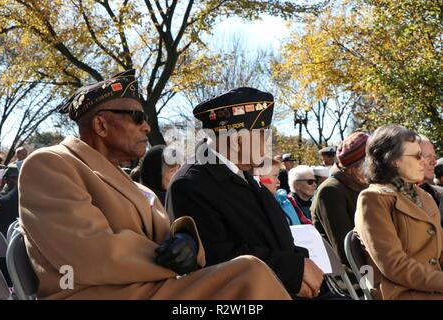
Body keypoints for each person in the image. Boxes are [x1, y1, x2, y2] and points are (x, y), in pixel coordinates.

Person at [19, 70, 291, 300]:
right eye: (137, 116)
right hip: (96, 293)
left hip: (144, 289)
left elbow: (162, 235)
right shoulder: (49, 163)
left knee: (249, 272)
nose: (147, 127)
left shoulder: (131, 183)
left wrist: (186, 241)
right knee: (249, 275)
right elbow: (86, 253)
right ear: (101, 124)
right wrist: (166, 257)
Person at [167, 87, 326, 299]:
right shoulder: (190, 184)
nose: (266, 145)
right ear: (237, 141)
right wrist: (295, 270)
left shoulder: (240, 173)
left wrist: (302, 266)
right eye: (262, 135)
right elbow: (216, 261)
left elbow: (275, 238)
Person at [354, 124, 443, 300]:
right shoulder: (372, 199)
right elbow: (394, 265)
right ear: (393, 160)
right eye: (417, 156)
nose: (424, 161)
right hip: (402, 293)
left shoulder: (424, 196)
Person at [311, 132, 369, 264]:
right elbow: (346, 250)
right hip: (355, 277)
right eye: (372, 161)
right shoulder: (330, 191)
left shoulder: (363, 184)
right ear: (355, 167)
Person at [254, 159, 310, 226]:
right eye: (275, 176)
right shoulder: (253, 204)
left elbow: (306, 222)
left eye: (278, 176)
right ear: (259, 177)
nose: (278, 181)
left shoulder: (288, 199)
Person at [418, 136, 442, 212]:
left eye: (434, 156)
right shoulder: (388, 198)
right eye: (427, 156)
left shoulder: (438, 195)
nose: (434, 162)